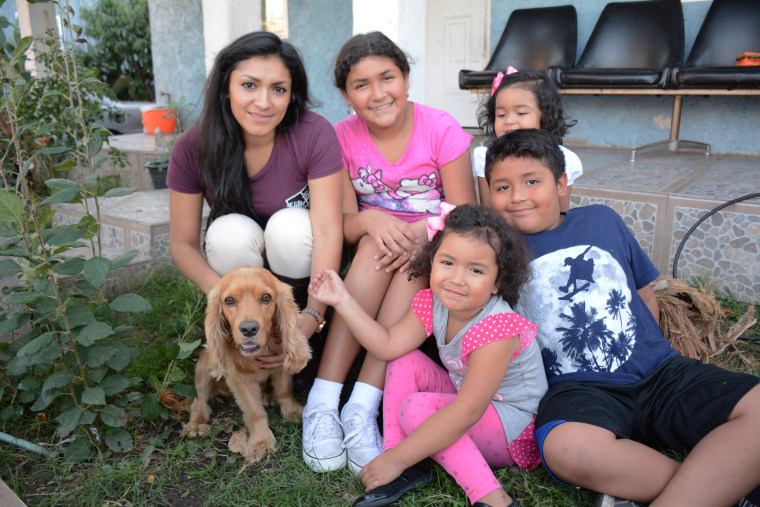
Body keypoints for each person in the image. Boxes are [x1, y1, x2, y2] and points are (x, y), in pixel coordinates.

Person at [484, 128, 760, 507]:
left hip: (659, 372)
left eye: (532, 181)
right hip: (578, 390)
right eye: (502, 187)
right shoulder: (492, 253)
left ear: (562, 184)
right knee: (566, 448)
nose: (517, 196)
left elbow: (646, 296)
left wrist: (653, 355)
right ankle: (722, 486)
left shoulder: (602, 220)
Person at [301, 31, 477, 474]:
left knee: (415, 265)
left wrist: (418, 231)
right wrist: (371, 221)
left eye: (387, 78)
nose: (378, 94)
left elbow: (464, 212)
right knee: (370, 251)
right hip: (372, 250)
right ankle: (322, 401)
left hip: (432, 246)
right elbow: (342, 223)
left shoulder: (440, 128)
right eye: (361, 85)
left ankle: (362, 406)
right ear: (345, 95)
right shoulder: (339, 138)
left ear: (406, 79)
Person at [309, 204, 547, 507]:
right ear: (432, 262)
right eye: (447, 262)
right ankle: (404, 469)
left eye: (476, 270)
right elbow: (387, 344)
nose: (457, 279)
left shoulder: (497, 329)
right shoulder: (434, 303)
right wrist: (342, 300)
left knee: (418, 409)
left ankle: (493, 497)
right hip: (472, 401)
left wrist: (395, 458)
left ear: (498, 281)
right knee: (401, 358)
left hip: (511, 427)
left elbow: (467, 412)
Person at [167, 32, 344, 382]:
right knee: (227, 233)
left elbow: (327, 231)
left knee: (290, 228)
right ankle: (245, 334)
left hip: (300, 280)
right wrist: (220, 298)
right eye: (249, 85)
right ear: (225, 87)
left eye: (278, 89)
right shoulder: (192, 148)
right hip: (241, 275)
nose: (264, 102)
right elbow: (182, 243)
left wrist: (310, 316)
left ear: (291, 94)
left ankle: (301, 338)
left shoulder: (314, 134)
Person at [474, 69, 581, 212]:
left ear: (546, 118)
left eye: (521, 113)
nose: (509, 120)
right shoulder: (485, 158)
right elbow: (489, 214)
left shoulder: (566, 159)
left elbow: (561, 215)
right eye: (501, 114)